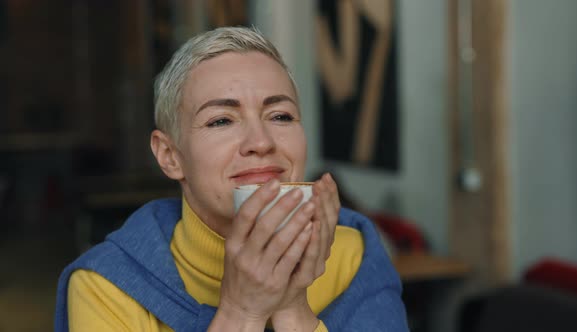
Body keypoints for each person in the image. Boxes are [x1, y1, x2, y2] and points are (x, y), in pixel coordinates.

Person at [54, 26, 408, 332]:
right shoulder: (106, 285)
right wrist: (242, 311)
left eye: (281, 115)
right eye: (221, 120)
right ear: (170, 156)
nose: (261, 142)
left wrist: (291, 308)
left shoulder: (353, 253)